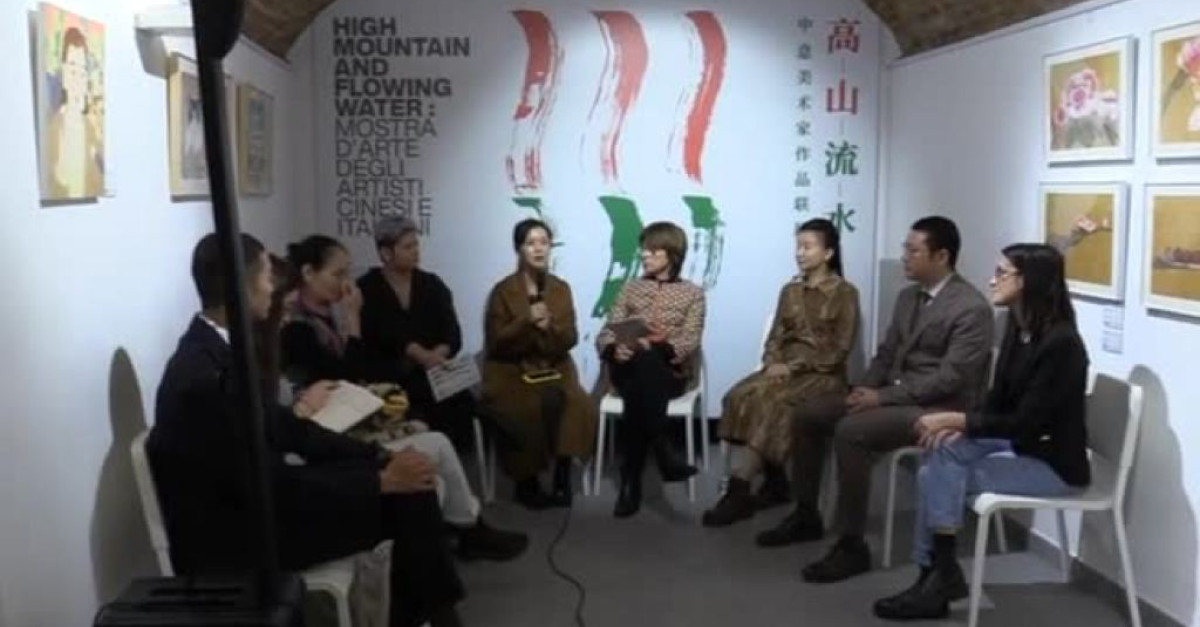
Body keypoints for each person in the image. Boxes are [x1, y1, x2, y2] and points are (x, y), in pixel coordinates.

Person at [147, 233, 465, 627]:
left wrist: (379, 457)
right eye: (267, 277)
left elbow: (290, 430)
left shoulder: (218, 350)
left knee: (408, 484)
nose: (274, 288)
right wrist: (379, 482)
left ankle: (424, 616)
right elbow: (269, 484)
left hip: (261, 507)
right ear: (240, 285)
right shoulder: (206, 376)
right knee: (407, 496)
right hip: (239, 538)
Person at [757, 216, 994, 585]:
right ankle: (806, 513)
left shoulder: (970, 308)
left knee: (852, 431)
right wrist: (863, 390)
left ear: (942, 256)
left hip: (939, 408)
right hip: (897, 395)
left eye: (913, 251)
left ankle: (851, 544)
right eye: (904, 249)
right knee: (810, 413)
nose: (904, 257)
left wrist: (881, 397)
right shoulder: (908, 297)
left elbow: (951, 379)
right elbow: (886, 354)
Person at [874, 244, 1090, 620]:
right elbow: (997, 402)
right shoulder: (1018, 329)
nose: (992, 280)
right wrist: (962, 429)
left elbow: (1025, 422)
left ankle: (936, 575)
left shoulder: (1062, 345)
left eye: (1002, 273)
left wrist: (957, 421)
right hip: (1020, 444)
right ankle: (937, 574)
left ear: (1028, 281)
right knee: (941, 453)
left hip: (1053, 464)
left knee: (933, 474)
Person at [279, 235, 528, 561]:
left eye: (347, 272)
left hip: (373, 405)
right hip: (339, 431)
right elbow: (349, 375)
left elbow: (448, 333)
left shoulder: (426, 285)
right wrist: (358, 326)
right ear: (309, 273)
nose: (346, 282)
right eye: (338, 274)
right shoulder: (298, 326)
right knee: (429, 433)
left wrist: (437, 353)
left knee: (450, 417)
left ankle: (468, 525)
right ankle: (464, 529)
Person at [702, 218, 859, 527]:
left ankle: (739, 487)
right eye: (798, 246)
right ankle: (775, 481)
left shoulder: (845, 293)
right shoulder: (790, 290)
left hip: (822, 375)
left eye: (807, 247)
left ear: (828, 253)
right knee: (739, 396)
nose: (800, 253)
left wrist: (794, 366)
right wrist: (772, 361)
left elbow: (840, 349)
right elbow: (776, 335)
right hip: (782, 370)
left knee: (773, 404)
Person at [481, 219, 598, 509]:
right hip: (511, 369)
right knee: (524, 407)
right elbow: (496, 341)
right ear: (519, 249)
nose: (538, 249)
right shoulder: (503, 290)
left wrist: (550, 327)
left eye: (544, 243)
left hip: (554, 365)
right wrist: (526, 321)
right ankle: (526, 482)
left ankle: (562, 474)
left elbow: (570, 337)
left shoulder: (560, 289)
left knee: (577, 403)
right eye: (531, 243)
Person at [596, 221, 707, 519]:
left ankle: (630, 478)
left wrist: (661, 344)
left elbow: (691, 338)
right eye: (643, 250)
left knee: (647, 363)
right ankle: (662, 448)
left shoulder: (693, 293)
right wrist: (613, 349)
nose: (644, 255)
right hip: (626, 367)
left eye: (652, 250)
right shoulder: (630, 288)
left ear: (671, 254)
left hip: (668, 372)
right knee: (640, 363)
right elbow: (607, 331)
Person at [358, 218, 476, 448]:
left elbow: (452, 333)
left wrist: (437, 355)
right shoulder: (367, 288)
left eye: (416, 245)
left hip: (436, 373)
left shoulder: (432, 284)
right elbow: (377, 334)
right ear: (386, 253)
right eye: (408, 247)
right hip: (391, 377)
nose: (416, 251)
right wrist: (417, 354)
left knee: (463, 405)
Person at [46, 26, 103, 198]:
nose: (77, 79)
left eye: (82, 71)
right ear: (63, 74)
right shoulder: (53, 129)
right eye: (72, 69)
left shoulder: (92, 129)